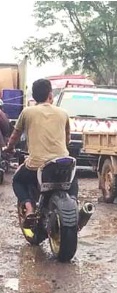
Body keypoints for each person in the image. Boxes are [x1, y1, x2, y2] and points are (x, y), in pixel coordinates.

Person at [3, 78, 78, 228]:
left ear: (34, 97)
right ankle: (75, 204)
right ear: (50, 95)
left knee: (17, 180)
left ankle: (29, 208)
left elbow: (14, 137)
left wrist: (9, 149)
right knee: (72, 179)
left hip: (37, 164)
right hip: (62, 160)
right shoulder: (63, 113)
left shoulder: (27, 112)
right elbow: (67, 140)